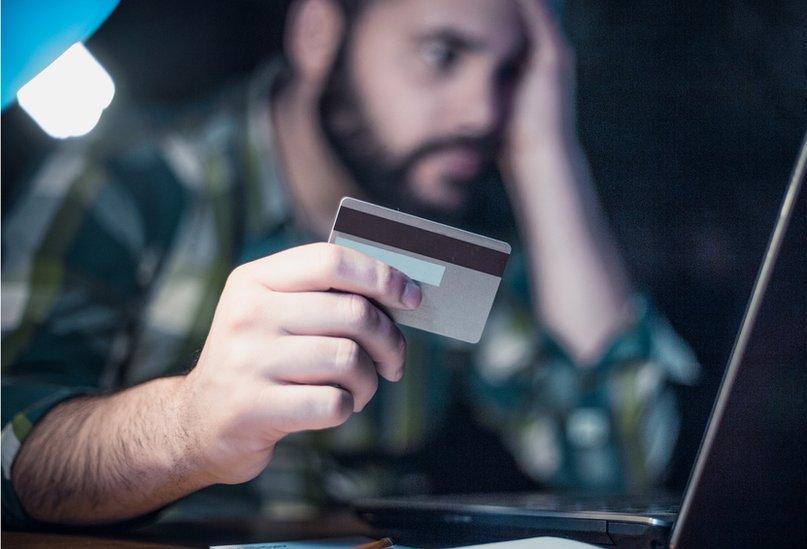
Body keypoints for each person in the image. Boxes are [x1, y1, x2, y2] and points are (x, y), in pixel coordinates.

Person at [1, 0, 698, 526]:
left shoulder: (446, 226)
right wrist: (189, 422)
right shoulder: (130, 184)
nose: (483, 112)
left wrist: (547, 149)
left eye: (509, 73)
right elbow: (9, 446)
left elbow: (617, 460)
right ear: (318, 36)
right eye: (442, 54)